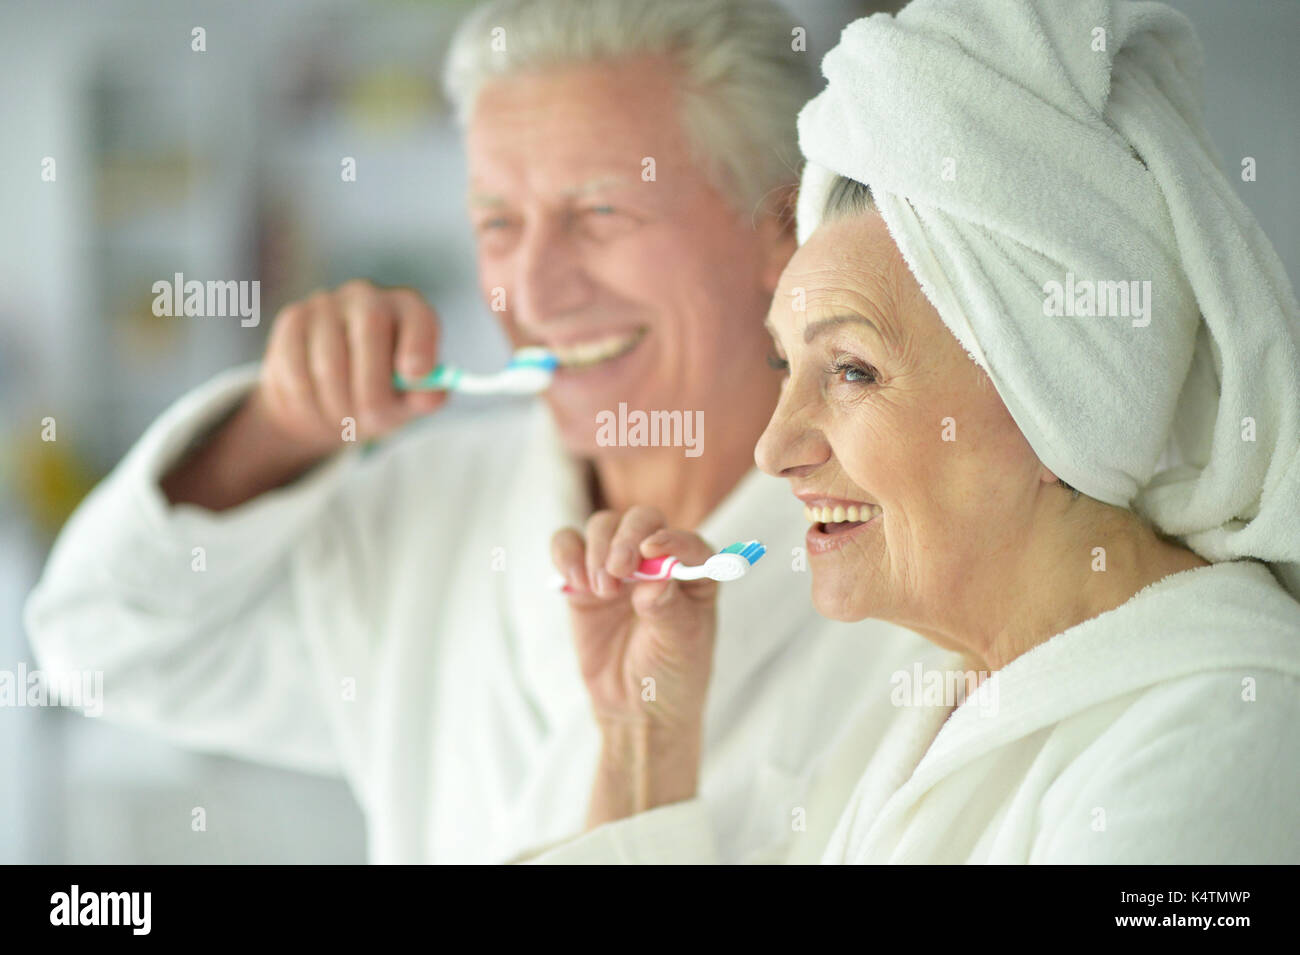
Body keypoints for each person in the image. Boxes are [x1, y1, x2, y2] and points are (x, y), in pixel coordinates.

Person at [24, 0, 936, 864]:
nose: (534, 292)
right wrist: (274, 428)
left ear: (782, 228)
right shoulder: (425, 511)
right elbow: (97, 644)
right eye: (498, 224)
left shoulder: (914, 569)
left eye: (600, 214)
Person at [532, 0, 1300, 864]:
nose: (774, 449)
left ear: (1054, 399)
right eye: (787, 365)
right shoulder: (919, 709)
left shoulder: (1222, 737)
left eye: (852, 371)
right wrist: (643, 749)